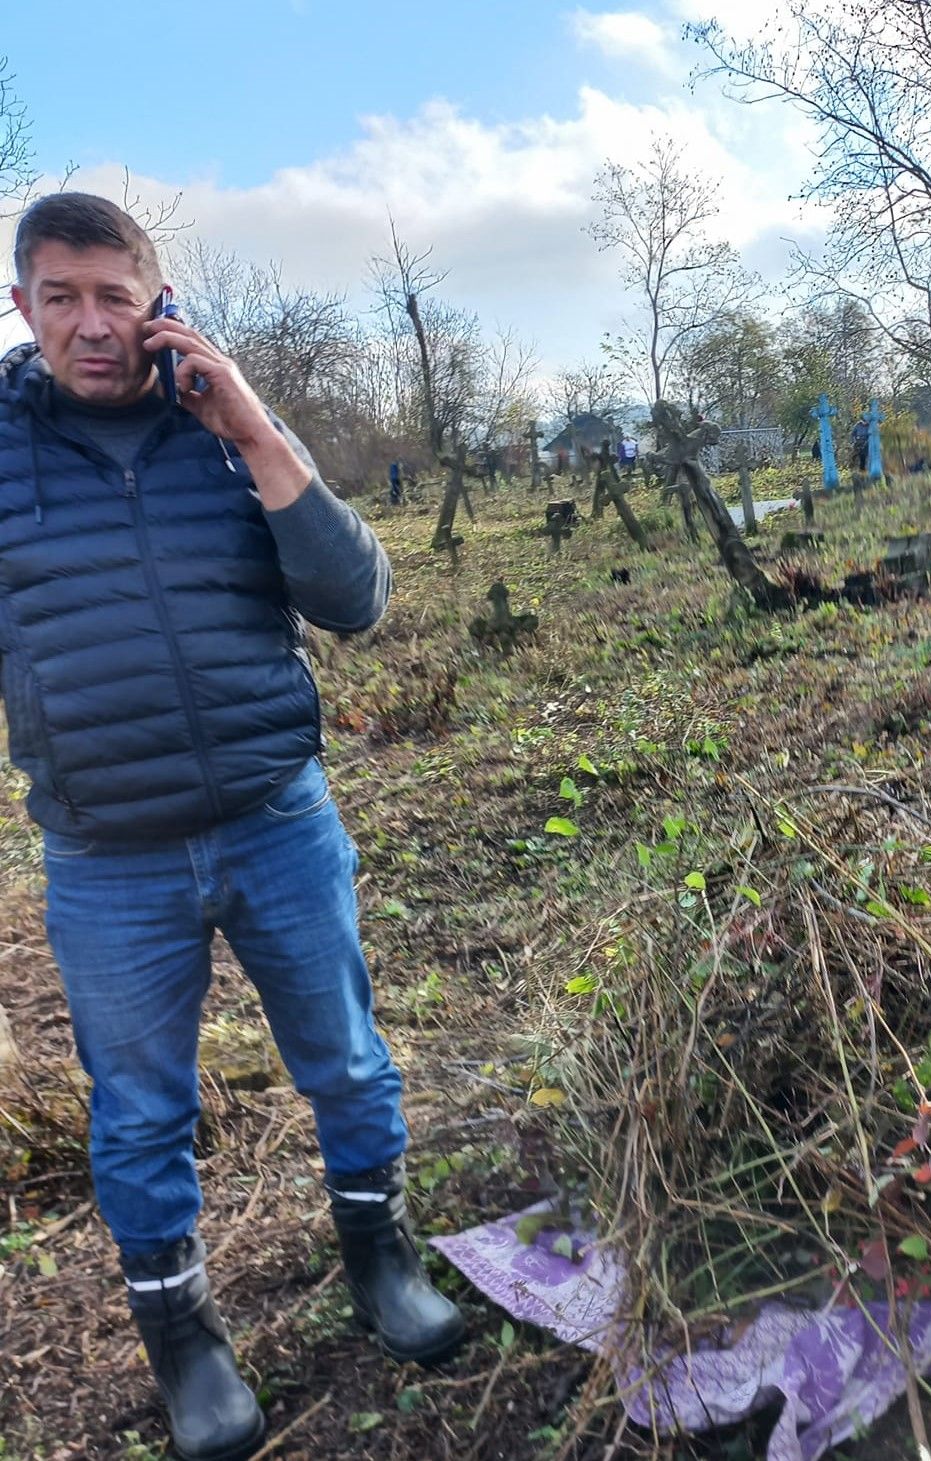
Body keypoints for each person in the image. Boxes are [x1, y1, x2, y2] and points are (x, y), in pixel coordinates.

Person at [2, 193, 464, 1460]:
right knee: (140, 1113)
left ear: (158, 301)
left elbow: (356, 599)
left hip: (277, 821)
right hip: (109, 857)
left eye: (116, 296)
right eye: (62, 297)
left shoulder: (226, 421)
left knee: (350, 1062)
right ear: (26, 305)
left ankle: (382, 1262)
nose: (92, 326)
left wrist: (253, 425)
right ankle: (188, 1345)